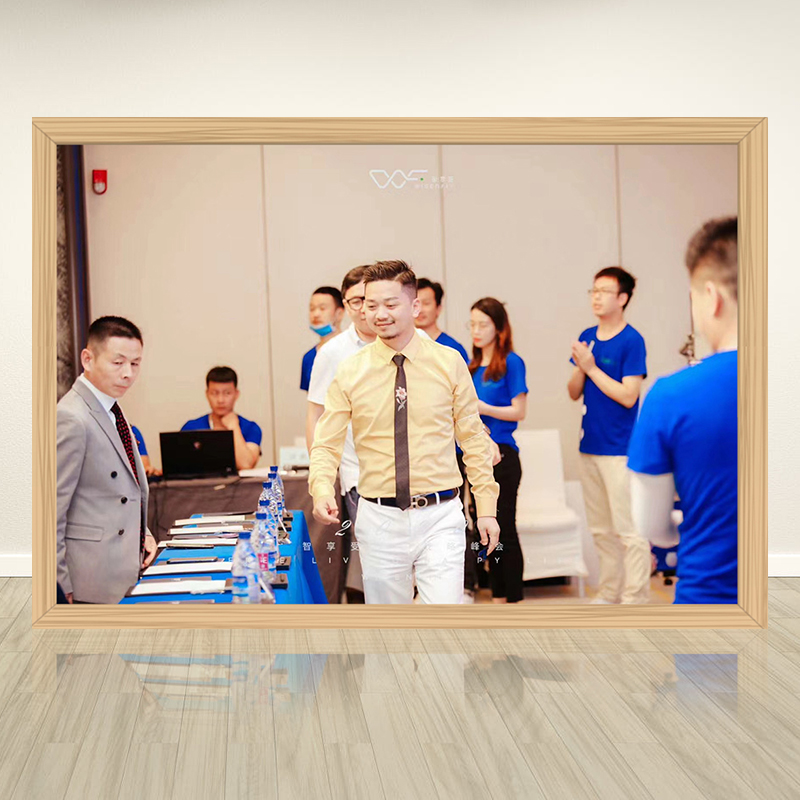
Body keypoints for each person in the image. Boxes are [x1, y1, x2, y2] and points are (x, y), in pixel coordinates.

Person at [309, 260, 500, 604]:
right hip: (378, 517)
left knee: (444, 621)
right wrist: (321, 487)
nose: (379, 314)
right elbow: (326, 442)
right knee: (389, 629)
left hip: (440, 514)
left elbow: (473, 439)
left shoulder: (448, 362)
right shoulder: (351, 370)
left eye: (390, 304)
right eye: (371, 305)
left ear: (414, 307)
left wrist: (486, 507)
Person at [628, 217, 738, 604]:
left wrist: (690, 525)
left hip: (712, 603)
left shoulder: (671, 396)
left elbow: (651, 526)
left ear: (711, 296)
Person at [56, 316, 157, 603]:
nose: (128, 373)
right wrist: (60, 585)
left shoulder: (111, 406)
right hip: (89, 578)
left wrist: (143, 533)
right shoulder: (71, 416)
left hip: (121, 566)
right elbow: (51, 509)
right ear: (87, 359)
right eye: (118, 362)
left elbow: (117, 490)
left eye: (135, 363)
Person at [568, 266, 651, 604]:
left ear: (623, 298)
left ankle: (635, 596)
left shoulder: (632, 340)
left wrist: (591, 367)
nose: (596, 297)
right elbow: (573, 392)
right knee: (601, 529)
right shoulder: (587, 335)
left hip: (620, 449)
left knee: (628, 530)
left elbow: (629, 395)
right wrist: (580, 367)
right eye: (594, 290)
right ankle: (608, 591)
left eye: (604, 291)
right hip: (589, 445)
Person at [306, 265, 374, 603]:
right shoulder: (332, 352)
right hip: (359, 474)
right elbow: (316, 415)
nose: (363, 308)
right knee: (375, 562)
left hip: (412, 475)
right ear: (345, 306)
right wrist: (320, 478)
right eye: (355, 301)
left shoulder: (407, 341)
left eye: (369, 299)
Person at [468, 298, 528, 603]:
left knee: (505, 529)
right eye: (472, 325)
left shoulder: (511, 363)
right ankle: (497, 597)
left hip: (502, 455)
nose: (476, 331)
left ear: (499, 328)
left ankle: (512, 600)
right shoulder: (471, 365)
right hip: (474, 455)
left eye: (483, 325)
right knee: (483, 529)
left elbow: (519, 411)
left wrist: (483, 408)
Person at [181, 366, 262, 471]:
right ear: (207, 394)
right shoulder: (191, 427)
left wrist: (234, 427)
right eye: (214, 393)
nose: (220, 400)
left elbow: (245, 465)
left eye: (227, 393)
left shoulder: (251, 428)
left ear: (236, 394)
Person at [415, 277, 470, 362]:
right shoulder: (402, 347)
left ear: (438, 308)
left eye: (426, 303)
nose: (420, 310)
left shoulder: (452, 349)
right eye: (415, 304)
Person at [301, 286, 345, 391]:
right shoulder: (309, 357)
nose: (316, 314)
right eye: (312, 309)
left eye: (322, 308)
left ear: (339, 313)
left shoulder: (354, 351)